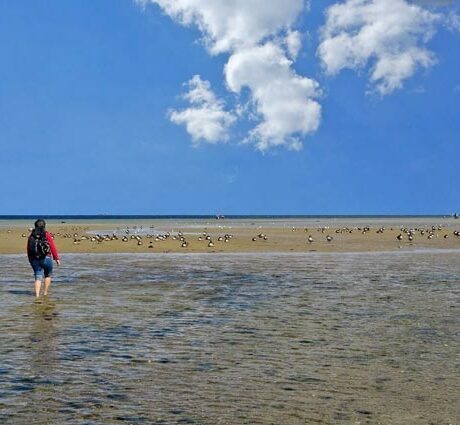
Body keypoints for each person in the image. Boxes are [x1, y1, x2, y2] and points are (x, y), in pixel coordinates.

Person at [27, 219, 60, 298]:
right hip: (46, 258)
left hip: (34, 259)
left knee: (38, 277)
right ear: (44, 226)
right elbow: (52, 246)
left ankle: (37, 296)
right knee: (47, 275)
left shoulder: (31, 235)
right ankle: (45, 293)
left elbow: (28, 248)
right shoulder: (46, 234)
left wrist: (30, 260)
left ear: (35, 226)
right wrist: (56, 258)